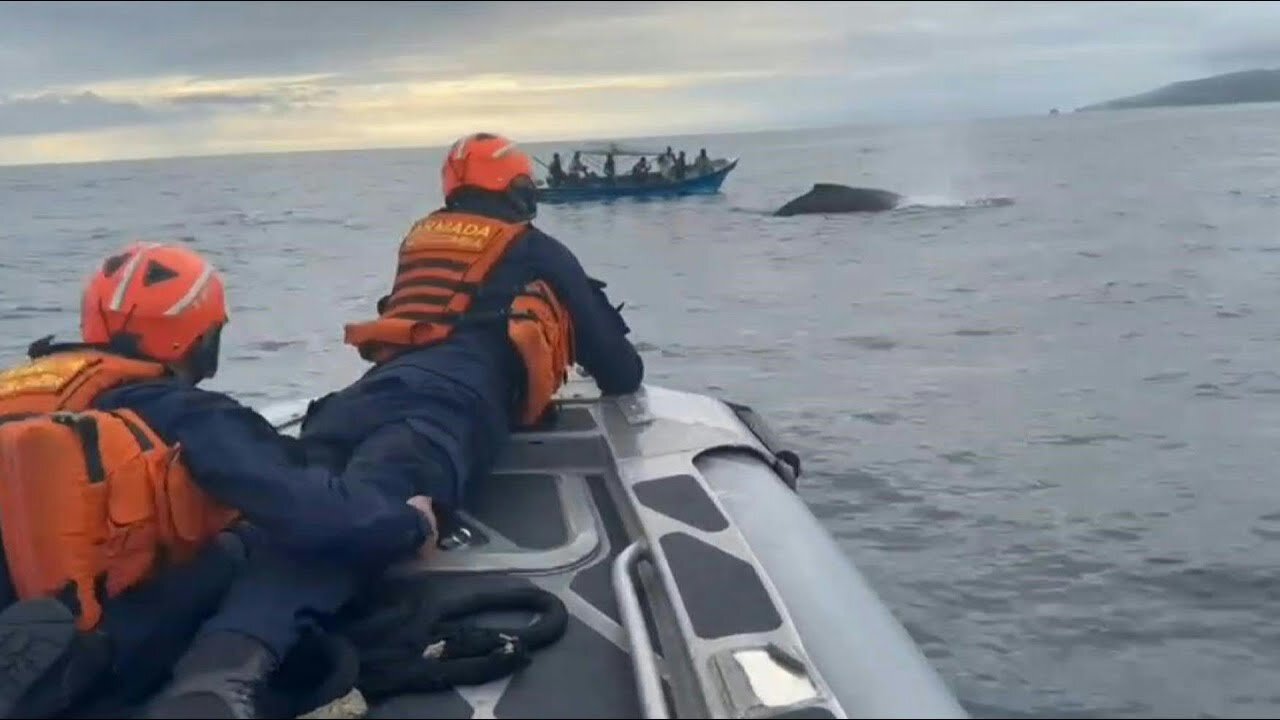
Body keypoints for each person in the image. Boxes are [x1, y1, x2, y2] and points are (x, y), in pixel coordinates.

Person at [0, 242, 439, 719]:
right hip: (118, 641)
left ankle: (42, 664)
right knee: (280, 538)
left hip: (29, 615)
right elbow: (316, 512)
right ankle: (213, 680)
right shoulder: (178, 409)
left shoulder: (17, 394)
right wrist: (409, 522)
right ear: (195, 337)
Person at [302, 132, 644, 537]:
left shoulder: (419, 240)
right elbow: (620, 371)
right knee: (369, 521)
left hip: (361, 400)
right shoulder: (535, 249)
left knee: (289, 502)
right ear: (517, 189)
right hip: (444, 408)